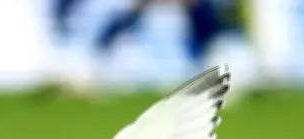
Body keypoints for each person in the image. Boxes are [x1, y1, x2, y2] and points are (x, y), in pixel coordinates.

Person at [42, 0, 253, 99]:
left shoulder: (197, 11)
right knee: (78, 66)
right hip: (124, 74)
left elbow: (215, 34)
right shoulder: (120, 10)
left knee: (232, 57)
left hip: (186, 71)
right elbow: (102, 39)